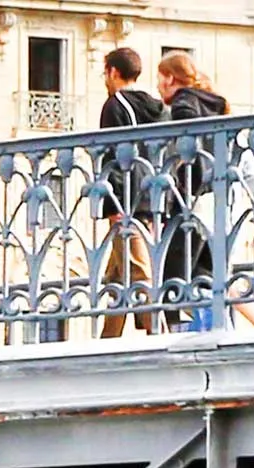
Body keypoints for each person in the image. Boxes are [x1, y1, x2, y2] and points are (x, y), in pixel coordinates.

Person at [96, 46, 167, 339]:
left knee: (139, 271)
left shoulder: (115, 105)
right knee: (118, 275)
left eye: (105, 72)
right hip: (154, 198)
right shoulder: (158, 106)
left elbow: (115, 156)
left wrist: (111, 205)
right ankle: (107, 341)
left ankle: (160, 337)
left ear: (113, 72)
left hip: (126, 202)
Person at [155, 50, 229, 333]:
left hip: (193, 197)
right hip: (215, 194)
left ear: (170, 78)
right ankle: (215, 328)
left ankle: (173, 332)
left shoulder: (184, 102)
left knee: (171, 271)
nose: (159, 86)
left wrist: (186, 181)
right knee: (204, 271)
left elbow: (190, 144)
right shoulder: (214, 103)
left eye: (160, 79)